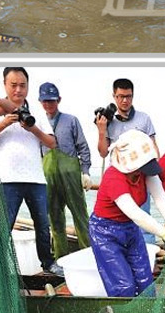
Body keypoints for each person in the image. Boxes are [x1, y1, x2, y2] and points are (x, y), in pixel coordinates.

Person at [0, 67, 62, 276]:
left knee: (43, 224)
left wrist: (33, 128)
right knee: (4, 226)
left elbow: (52, 142)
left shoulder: (36, 112)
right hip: (7, 178)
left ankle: (48, 264)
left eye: (23, 85)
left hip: (36, 178)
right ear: (4, 85)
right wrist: (4, 121)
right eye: (13, 85)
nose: (18, 90)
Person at [89, 130, 165, 297]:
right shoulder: (113, 178)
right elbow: (135, 213)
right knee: (124, 287)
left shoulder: (143, 173)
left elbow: (159, 195)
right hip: (105, 233)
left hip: (130, 230)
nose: (145, 171)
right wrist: (164, 233)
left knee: (145, 282)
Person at [38, 81, 92, 259]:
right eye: (45, 101)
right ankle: (60, 258)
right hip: (49, 176)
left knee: (80, 215)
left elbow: (83, 147)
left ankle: (87, 255)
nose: (48, 105)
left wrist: (85, 172)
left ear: (59, 100)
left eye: (52, 101)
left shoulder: (71, 120)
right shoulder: (36, 122)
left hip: (71, 175)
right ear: (40, 101)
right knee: (55, 218)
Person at [96, 78, 157, 159]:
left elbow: (154, 148)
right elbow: (103, 154)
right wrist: (101, 131)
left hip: (141, 169)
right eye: (121, 96)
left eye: (128, 96)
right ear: (114, 96)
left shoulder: (144, 118)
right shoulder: (107, 121)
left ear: (133, 96)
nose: (125, 100)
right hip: (116, 169)